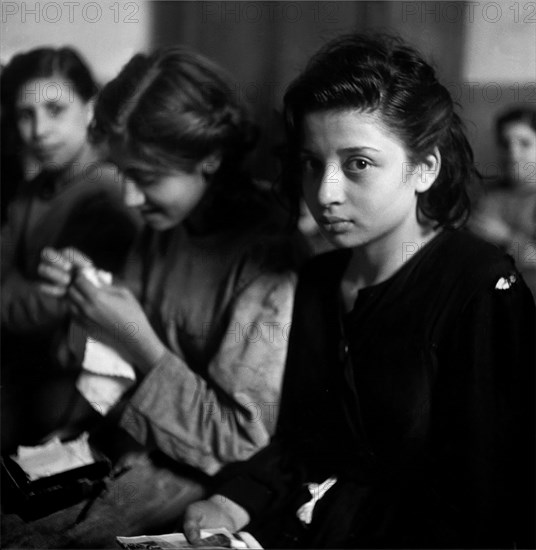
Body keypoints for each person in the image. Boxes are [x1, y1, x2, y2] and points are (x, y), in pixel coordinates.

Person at [182, 34, 535, 549]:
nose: (325, 193)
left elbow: (494, 503)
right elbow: (305, 443)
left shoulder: (482, 288)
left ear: (424, 168)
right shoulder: (319, 281)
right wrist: (235, 499)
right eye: (310, 162)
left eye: (358, 164)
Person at [38, 47, 299, 478]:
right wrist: (84, 298)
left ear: (210, 157)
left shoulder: (267, 259)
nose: (130, 199)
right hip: (135, 447)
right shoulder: (165, 226)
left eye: (148, 177)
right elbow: (108, 369)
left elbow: (241, 446)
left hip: (208, 482)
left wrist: (138, 341)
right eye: (124, 174)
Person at [1, 47, 140, 450]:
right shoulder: (34, 190)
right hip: (27, 364)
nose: (39, 131)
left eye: (55, 110)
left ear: (90, 107)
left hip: (75, 384)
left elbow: (59, 305)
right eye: (26, 115)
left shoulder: (108, 191)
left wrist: (19, 292)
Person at [470, 107, 536, 300]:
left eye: (525, 143)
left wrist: (505, 236)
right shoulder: (486, 195)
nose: (513, 153)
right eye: (505, 144)